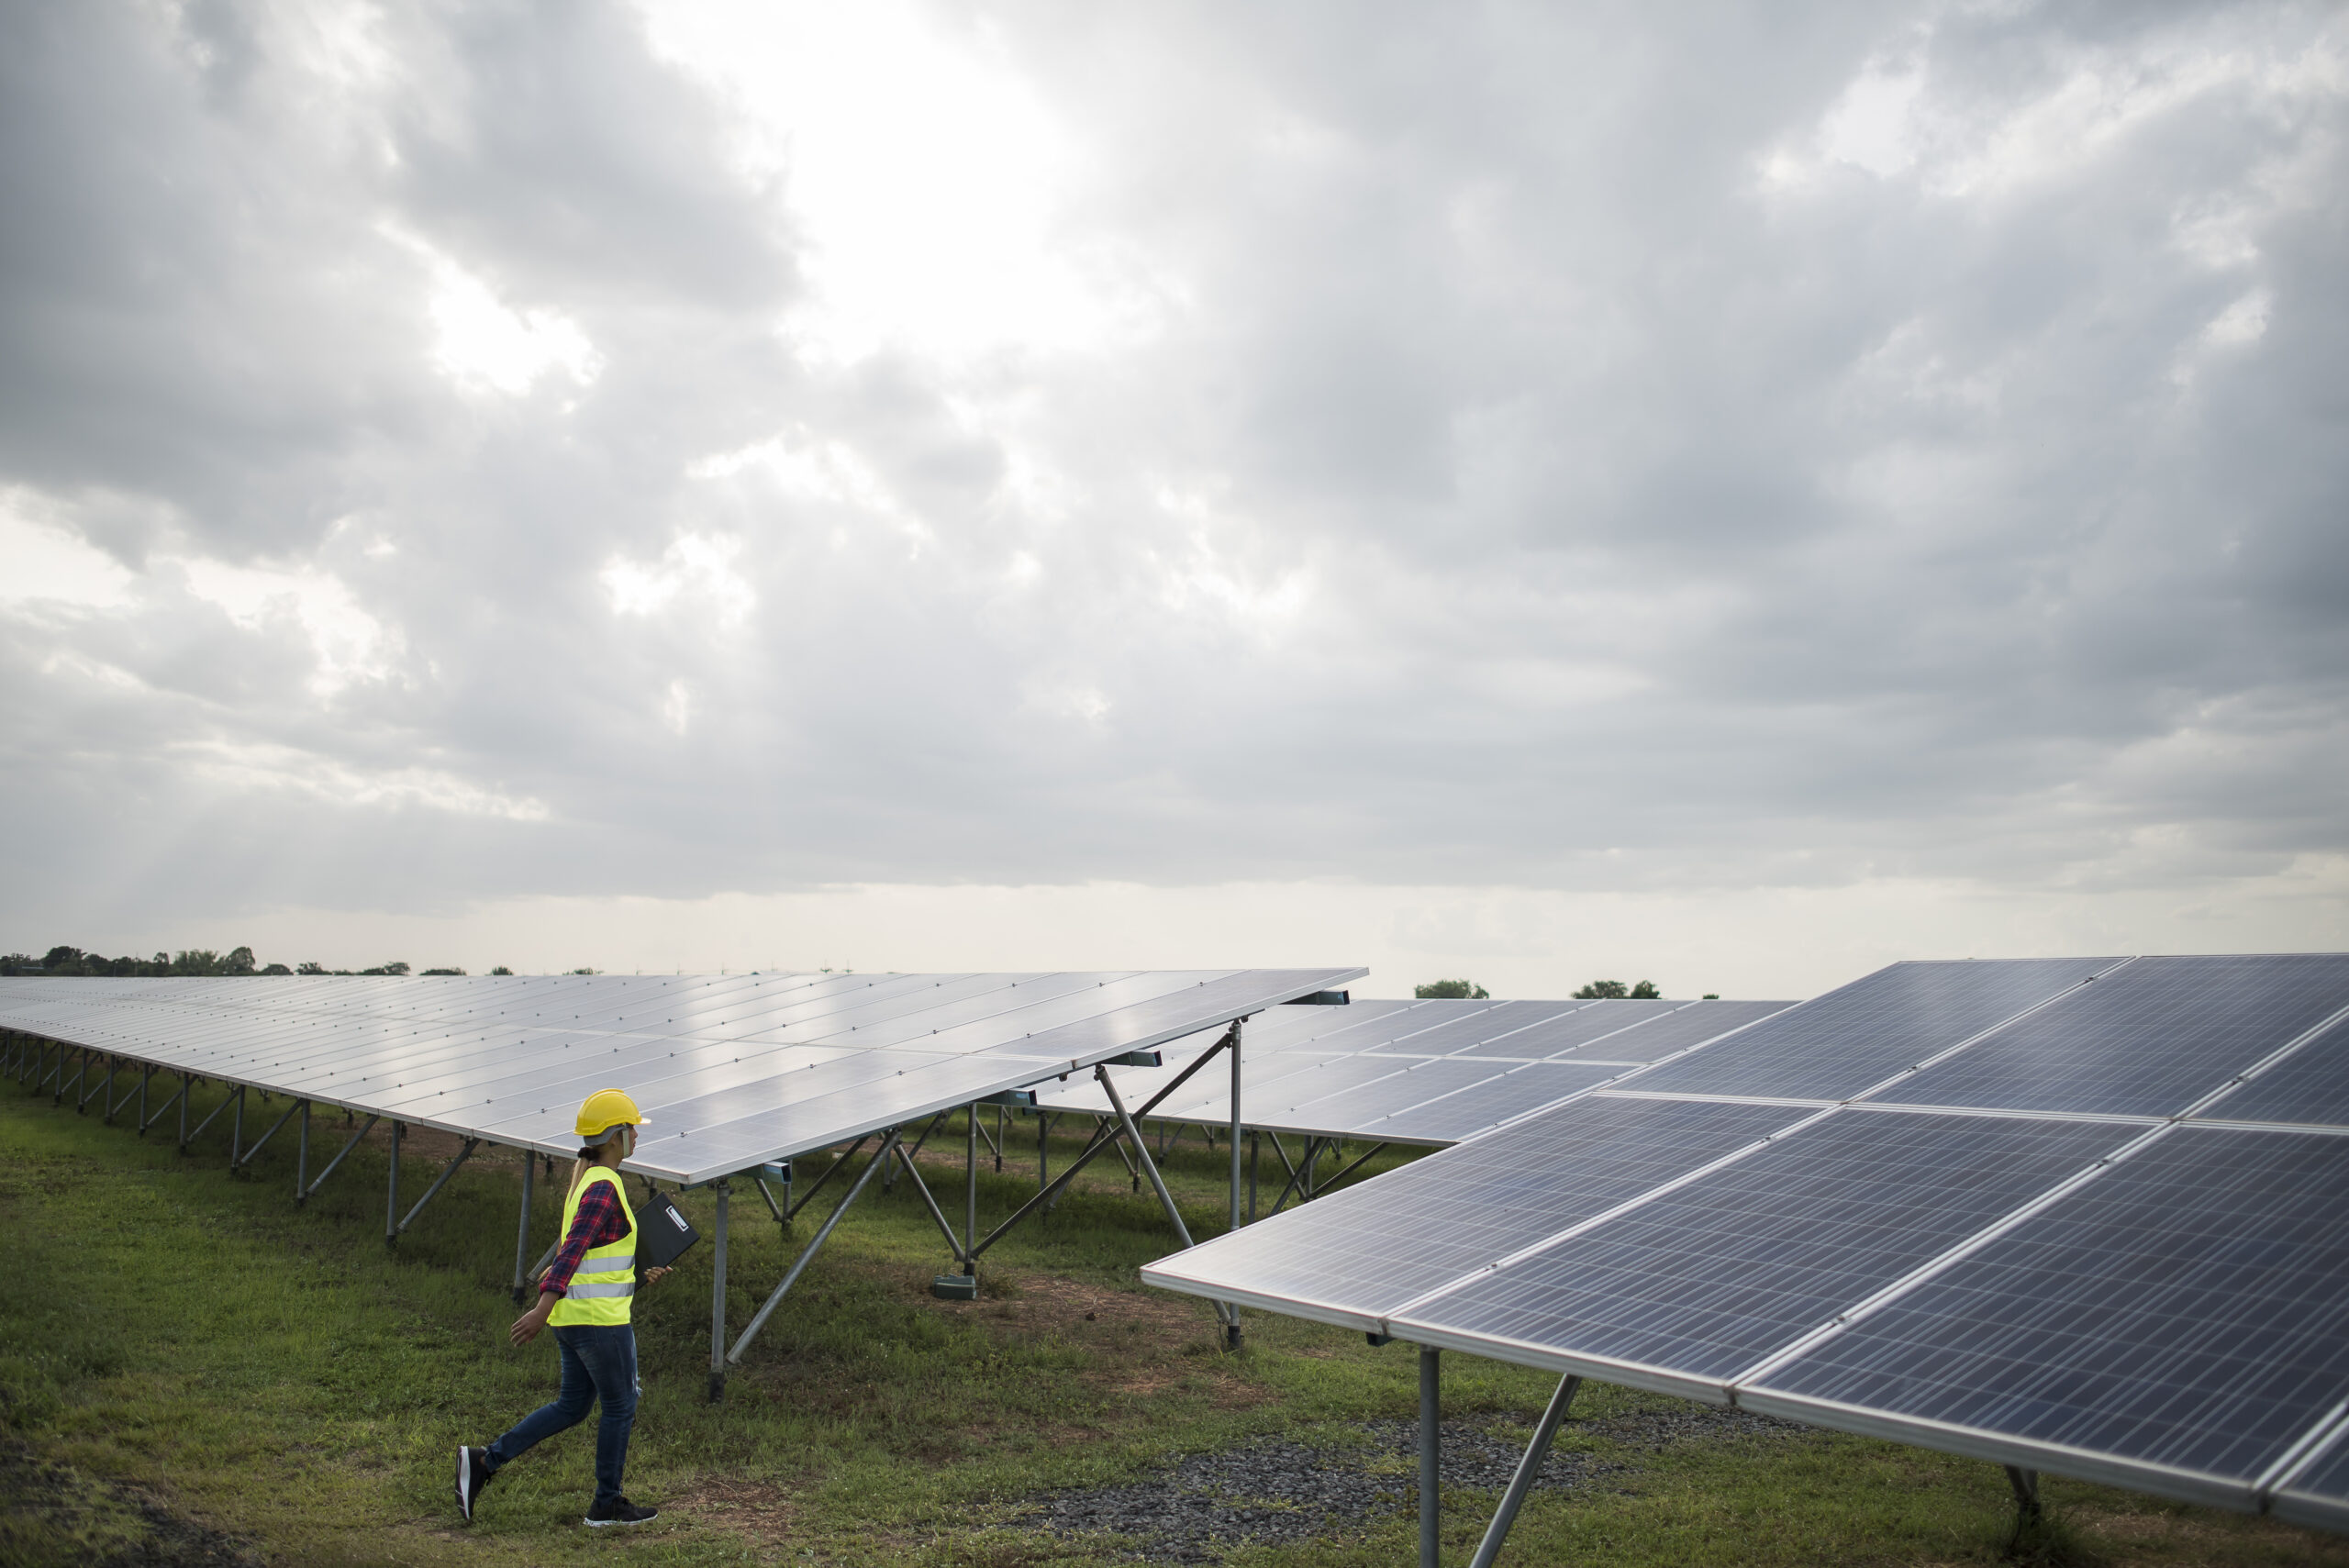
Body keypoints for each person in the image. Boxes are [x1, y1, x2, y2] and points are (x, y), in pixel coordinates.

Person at [455, 1088, 671, 1527]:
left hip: (577, 1319)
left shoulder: (589, 1181)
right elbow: (570, 1252)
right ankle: (607, 1502)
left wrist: (636, 1276)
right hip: (597, 1325)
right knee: (621, 1405)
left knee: (572, 1407)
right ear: (615, 1136)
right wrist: (540, 1308)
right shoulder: (603, 1186)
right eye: (632, 1129)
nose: (637, 1136)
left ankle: (484, 1462)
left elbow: (595, 1259)